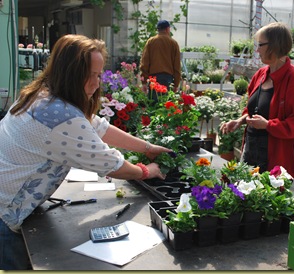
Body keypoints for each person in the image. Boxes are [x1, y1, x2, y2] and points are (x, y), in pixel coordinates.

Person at [0, 34, 171, 270]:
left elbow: (96, 126)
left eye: (99, 75)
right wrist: (145, 170)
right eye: (90, 75)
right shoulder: (62, 117)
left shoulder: (41, 96)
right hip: (5, 217)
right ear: (70, 73)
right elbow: (111, 164)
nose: (97, 83)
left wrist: (147, 147)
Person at [220, 22, 294, 178]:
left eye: (260, 45)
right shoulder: (261, 74)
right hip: (251, 151)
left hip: (275, 159)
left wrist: (268, 125)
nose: (257, 50)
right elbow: (254, 110)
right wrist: (240, 121)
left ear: (274, 46)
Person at [140, 20, 181, 100]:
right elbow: (177, 66)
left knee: (153, 105)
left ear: (158, 29)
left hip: (153, 79)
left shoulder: (151, 42)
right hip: (168, 79)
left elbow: (144, 63)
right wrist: (176, 84)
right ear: (167, 29)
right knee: (166, 106)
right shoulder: (173, 43)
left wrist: (144, 81)